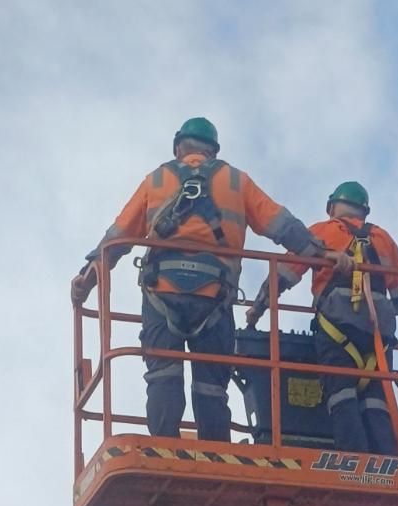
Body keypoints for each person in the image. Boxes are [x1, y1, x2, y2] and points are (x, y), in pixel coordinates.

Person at [72, 117, 334, 443]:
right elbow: (279, 223)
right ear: (213, 151)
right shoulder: (236, 181)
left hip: (161, 292)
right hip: (215, 296)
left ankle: (164, 447)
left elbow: (118, 237)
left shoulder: (157, 180)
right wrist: (319, 252)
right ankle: (214, 449)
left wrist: (87, 278)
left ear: (179, 147)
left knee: (163, 375)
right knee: (211, 384)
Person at [248, 181, 398, 453]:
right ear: (364, 211)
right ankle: (388, 460)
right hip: (378, 336)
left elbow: (282, 276)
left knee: (341, 393)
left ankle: (354, 460)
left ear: (332, 207)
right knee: (376, 397)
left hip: (336, 327)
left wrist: (257, 309)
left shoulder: (323, 232)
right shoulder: (383, 238)